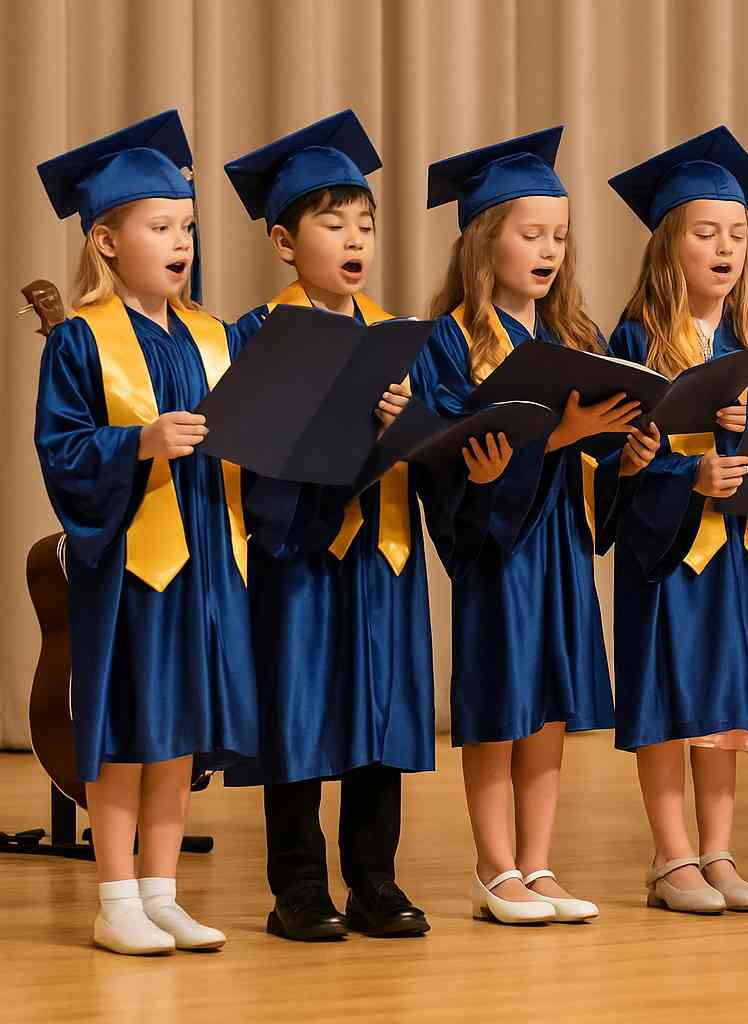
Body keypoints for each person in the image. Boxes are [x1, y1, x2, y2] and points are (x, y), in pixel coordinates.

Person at [600, 126, 748, 913]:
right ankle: (670, 857)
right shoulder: (635, 339)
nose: (725, 247)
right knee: (674, 700)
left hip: (745, 551)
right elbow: (617, 461)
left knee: (726, 709)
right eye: (706, 233)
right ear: (670, 245)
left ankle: (718, 850)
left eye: (737, 234)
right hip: (670, 553)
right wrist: (687, 472)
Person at [34, 110, 258, 954]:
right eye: (159, 226)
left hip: (204, 552)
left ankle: (161, 890)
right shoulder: (80, 341)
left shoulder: (212, 335)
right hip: (131, 560)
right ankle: (114, 893)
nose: (180, 241)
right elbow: (60, 448)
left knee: (179, 732)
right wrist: (138, 441)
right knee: (127, 725)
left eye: (188, 227)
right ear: (104, 240)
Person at [222, 110, 434, 939]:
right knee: (299, 714)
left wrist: (404, 425)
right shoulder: (256, 335)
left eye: (366, 225)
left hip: (381, 550)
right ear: (284, 240)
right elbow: (241, 446)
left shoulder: (398, 338)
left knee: (380, 712)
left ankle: (375, 881)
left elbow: (438, 443)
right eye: (332, 222)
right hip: (298, 550)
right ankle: (298, 887)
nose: (355, 239)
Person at [415, 127, 631, 925]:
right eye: (530, 233)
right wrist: (558, 439)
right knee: (501, 701)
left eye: (560, 236)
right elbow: (441, 456)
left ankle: (538, 865)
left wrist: (625, 452)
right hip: (497, 548)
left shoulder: (574, 337)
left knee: (548, 709)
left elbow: (600, 453)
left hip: (562, 543)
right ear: (484, 241)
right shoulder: (448, 342)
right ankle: (492, 867)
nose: (548, 250)